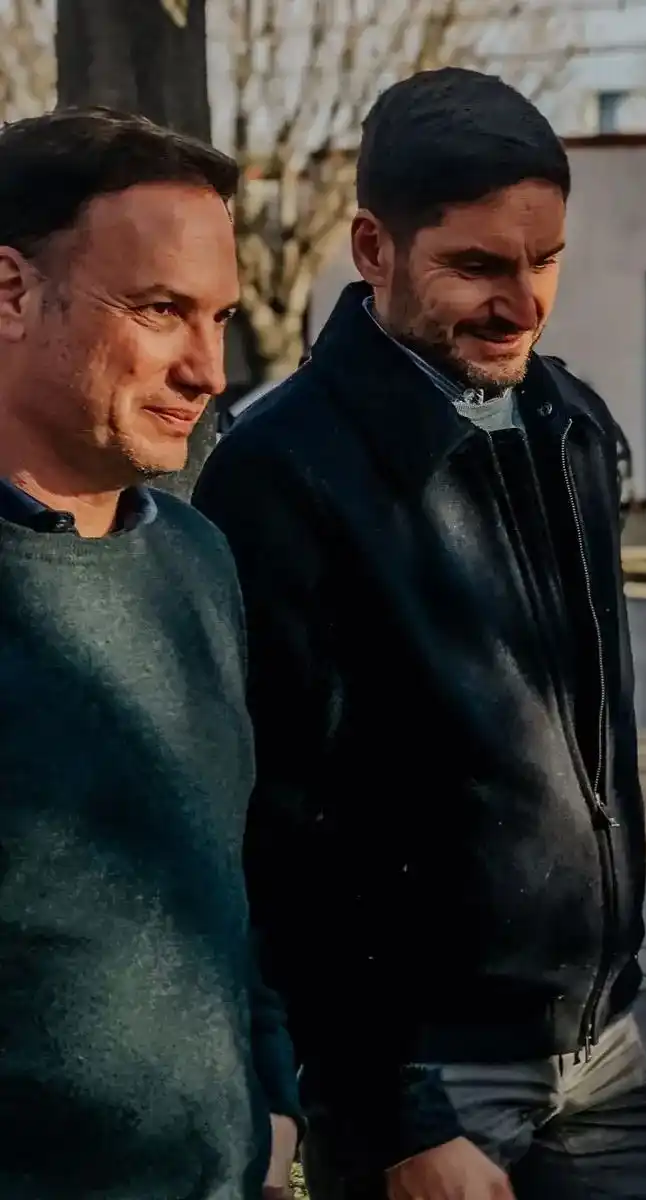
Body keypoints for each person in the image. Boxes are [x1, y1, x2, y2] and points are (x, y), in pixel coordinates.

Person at [191, 68, 646, 1200]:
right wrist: (393, 1113)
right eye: (478, 265)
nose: (524, 302)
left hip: (613, 1028)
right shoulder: (279, 473)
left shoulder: (571, 424)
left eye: (546, 261)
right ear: (372, 248)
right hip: (426, 1072)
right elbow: (277, 833)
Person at [0, 108, 302, 1199]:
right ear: (11, 292)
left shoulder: (197, 558)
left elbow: (233, 867)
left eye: (219, 317)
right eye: (162, 309)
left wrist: (270, 1106)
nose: (209, 368)